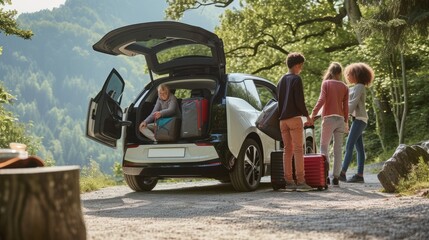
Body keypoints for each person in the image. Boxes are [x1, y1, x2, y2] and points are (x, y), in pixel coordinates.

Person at [277, 52, 313, 191]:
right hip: (294, 119)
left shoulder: (281, 80)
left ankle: (289, 182)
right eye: (301, 66)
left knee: (287, 150)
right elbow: (299, 101)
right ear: (297, 65)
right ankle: (301, 182)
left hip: (283, 120)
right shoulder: (296, 79)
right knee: (298, 150)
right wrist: (307, 116)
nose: (301, 69)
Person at [310, 62, 349, 187]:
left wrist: (313, 114)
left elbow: (321, 100)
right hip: (340, 120)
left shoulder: (326, 84)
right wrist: (346, 121)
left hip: (328, 119)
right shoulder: (345, 87)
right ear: (339, 73)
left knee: (323, 147)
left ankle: (325, 175)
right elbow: (346, 107)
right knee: (338, 149)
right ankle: (336, 177)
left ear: (330, 72)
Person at [339, 62, 375, 183]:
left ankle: (342, 173)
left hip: (360, 119)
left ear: (357, 75)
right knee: (359, 148)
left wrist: (342, 113)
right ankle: (359, 175)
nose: (347, 76)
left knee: (349, 145)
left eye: (349, 74)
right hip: (358, 119)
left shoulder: (359, 86)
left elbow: (352, 104)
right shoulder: (356, 87)